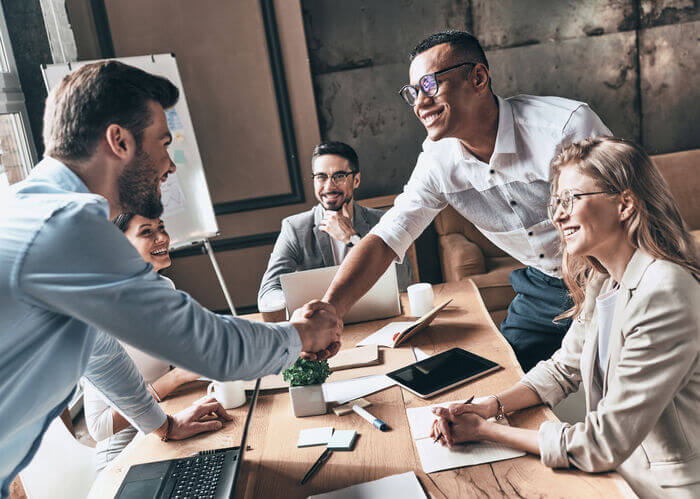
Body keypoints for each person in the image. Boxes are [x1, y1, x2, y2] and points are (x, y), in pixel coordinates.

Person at [0, 60, 341, 495]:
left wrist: (162, 425)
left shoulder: (29, 208)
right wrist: (304, 334)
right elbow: (209, 346)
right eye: (163, 143)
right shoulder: (67, 228)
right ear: (119, 141)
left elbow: (100, 352)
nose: (170, 164)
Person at [317, 30, 611, 369]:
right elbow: (387, 237)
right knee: (501, 378)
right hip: (544, 284)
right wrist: (331, 309)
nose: (420, 104)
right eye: (413, 92)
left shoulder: (564, 128)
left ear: (478, 77)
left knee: (609, 378)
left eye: (430, 85)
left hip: (607, 271)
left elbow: (627, 215)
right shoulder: (437, 161)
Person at [429, 137, 700, 498]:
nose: (557, 215)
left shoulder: (665, 292)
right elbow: (562, 369)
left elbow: (603, 443)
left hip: (663, 489)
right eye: (557, 201)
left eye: (572, 198)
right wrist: (488, 406)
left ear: (625, 204)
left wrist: (485, 431)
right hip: (618, 472)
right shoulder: (605, 278)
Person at [83, 214, 205, 471]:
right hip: (122, 453)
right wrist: (175, 379)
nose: (162, 238)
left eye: (161, 228)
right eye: (147, 232)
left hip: (164, 426)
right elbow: (99, 428)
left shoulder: (165, 288)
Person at [258, 141, 412, 313]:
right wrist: (303, 307)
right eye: (321, 177)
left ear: (356, 180)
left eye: (339, 176)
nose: (329, 186)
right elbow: (267, 292)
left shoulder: (382, 221)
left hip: (378, 318)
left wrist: (352, 239)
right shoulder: (294, 228)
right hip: (320, 325)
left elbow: (403, 281)